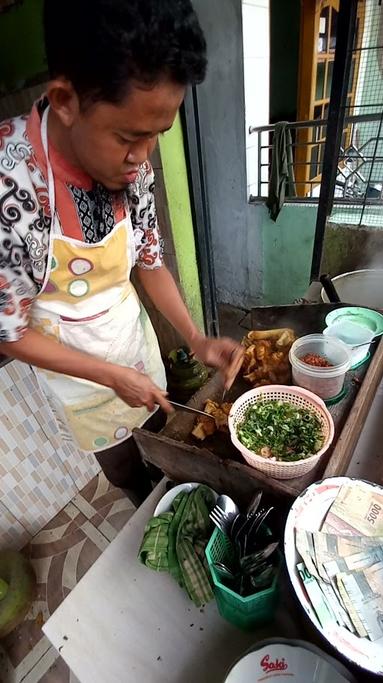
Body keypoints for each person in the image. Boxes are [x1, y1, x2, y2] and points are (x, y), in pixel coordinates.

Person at [0, 0, 243, 504]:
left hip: (133, 344)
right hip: (82, 382)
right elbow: (8, 332)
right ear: (66, 99)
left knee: (166, 436)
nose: (144, 157)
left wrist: (195, 338)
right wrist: (109, 376)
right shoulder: (11, 187)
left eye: (158, 135)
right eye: (129, 137)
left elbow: (150, 261)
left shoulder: (134, 168)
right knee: (126, 471)